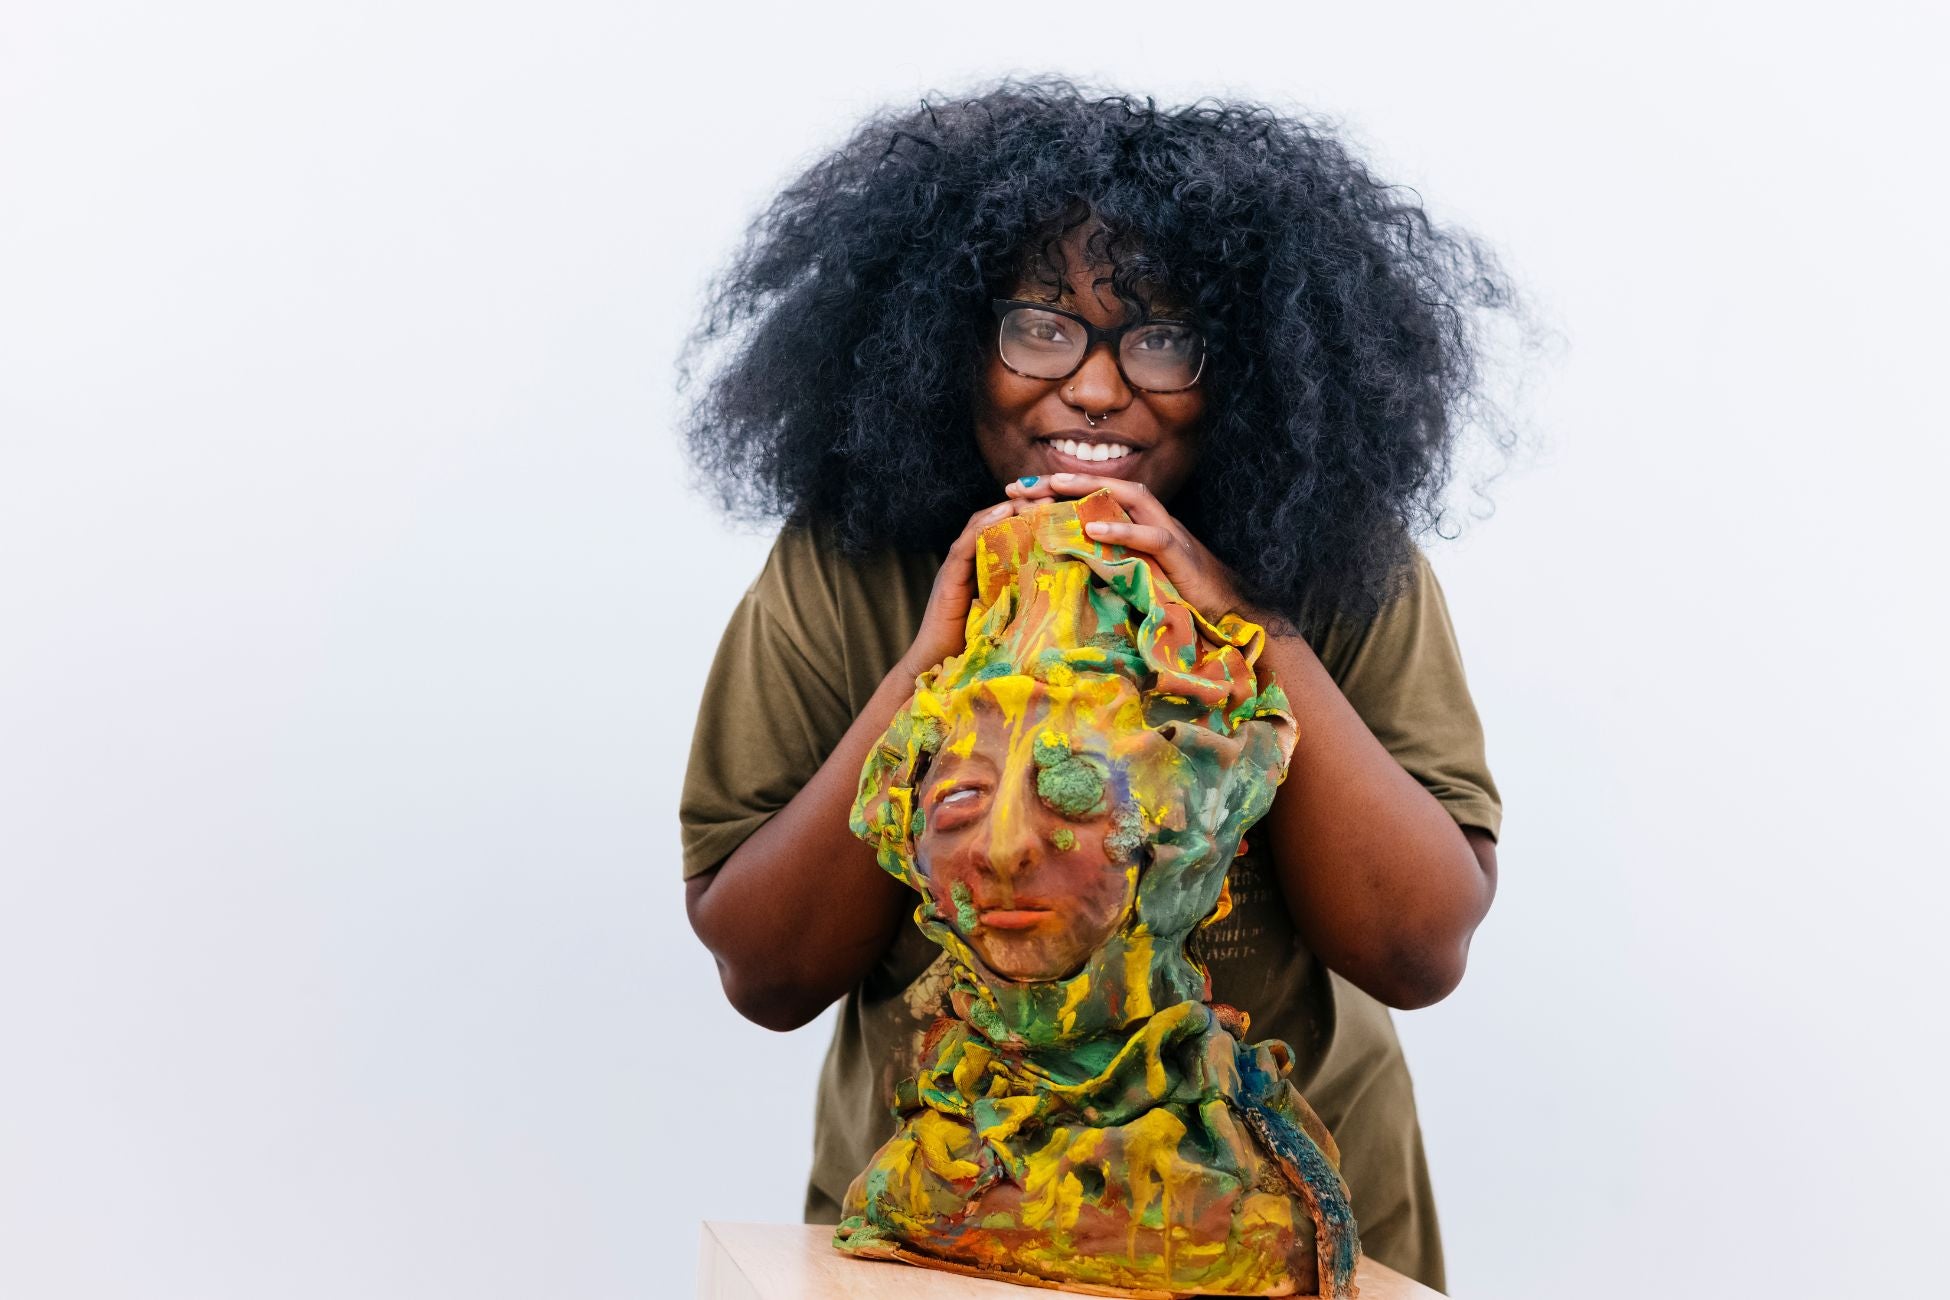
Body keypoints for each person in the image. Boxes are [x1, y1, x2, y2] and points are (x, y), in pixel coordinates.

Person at [677, 78, 1518, 1292]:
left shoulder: (1334, 559)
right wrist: (929, 666)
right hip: (940, 1229)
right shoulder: (846, 565)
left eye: (1166, 340)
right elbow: (767, 972)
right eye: (1041, 325)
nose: (1097, 385)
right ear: (950, 342)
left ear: (1252, 365)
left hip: (1286, 1234)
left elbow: (1417, 949)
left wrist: (1251, 631)